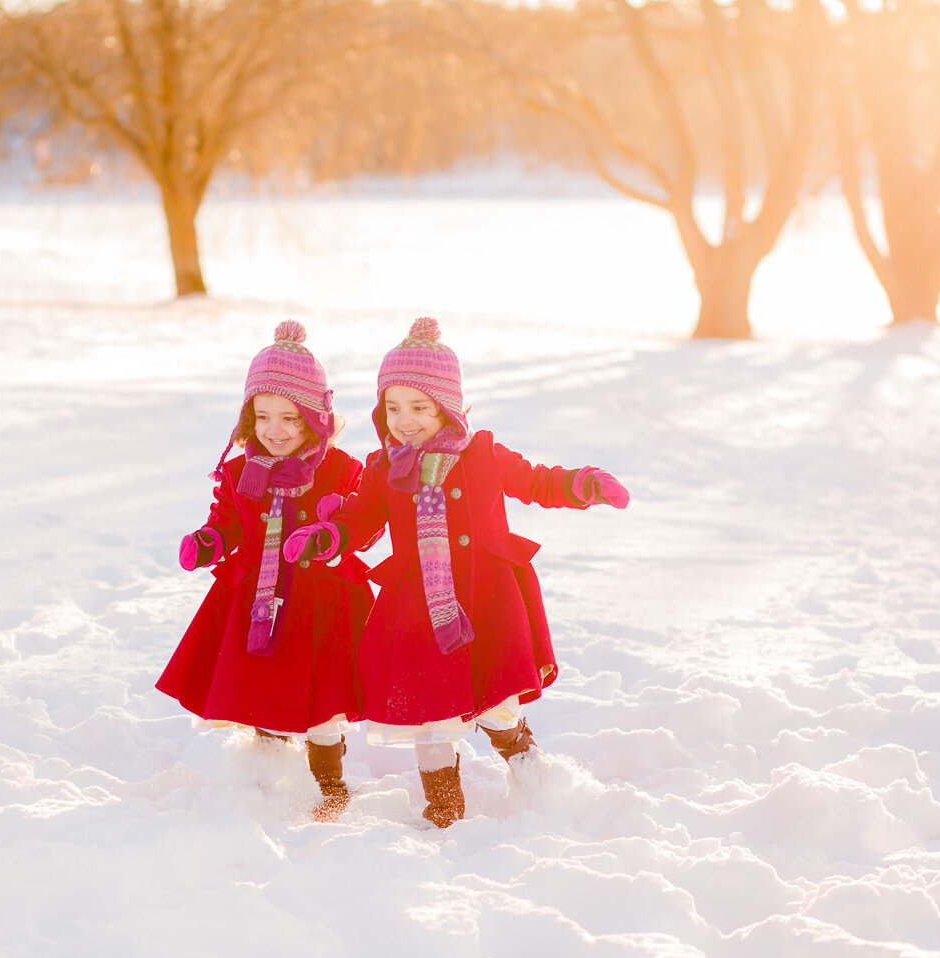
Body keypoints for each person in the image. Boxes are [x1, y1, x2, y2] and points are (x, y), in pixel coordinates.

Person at [284, 317, 629, 828]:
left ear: (447, 406)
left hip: (485, 597)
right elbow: (362, 517)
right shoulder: (383, 468)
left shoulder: (483, 452)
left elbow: (535, 481)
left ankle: (524, 760)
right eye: (393, 408)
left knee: (495, 701)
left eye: (419, 407)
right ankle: (443, 806)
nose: (405, 420)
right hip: (418, 609)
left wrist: (581, 485)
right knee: (430, 713)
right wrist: (329, 535)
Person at [156, 320, 374, 821]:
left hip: (320, 605)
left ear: (316, 420)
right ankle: (269, 784)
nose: (274, 430)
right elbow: (228, 522)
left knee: (322, 703)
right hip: (260, 603)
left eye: (290, 419)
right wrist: (209, 542)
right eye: (263, 417)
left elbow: (365, 524)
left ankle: (329, 786)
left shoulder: (341, 470)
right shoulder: (238, 474)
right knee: (263, 693)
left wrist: (332, 533)